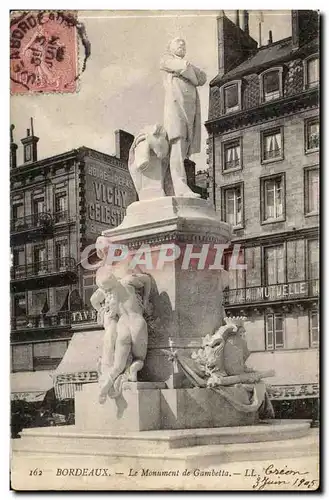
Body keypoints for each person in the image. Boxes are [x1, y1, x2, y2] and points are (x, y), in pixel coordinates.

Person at [91, 265, 151, 404]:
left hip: (122, 326)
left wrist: (102, 310)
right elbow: (147, 280)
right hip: (137, 322)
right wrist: (146, 300)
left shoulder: (107, 293)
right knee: (139, 358)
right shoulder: (127, 281)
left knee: (118, 365)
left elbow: (93, 300)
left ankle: (106, 385)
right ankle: (134, 369)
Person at [160, 38, 207, 197]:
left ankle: (176, 186)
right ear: (170, 47)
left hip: (189, 113)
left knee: (183, 149)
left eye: (184, 43)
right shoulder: (166, 60)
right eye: (178, 42)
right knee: (177, 149)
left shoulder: (181, 65)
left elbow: (202, 78)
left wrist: (189, 72)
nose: (182, 45)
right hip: (176, 112)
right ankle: (180, 187)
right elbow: (186, 68)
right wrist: (190, 71)